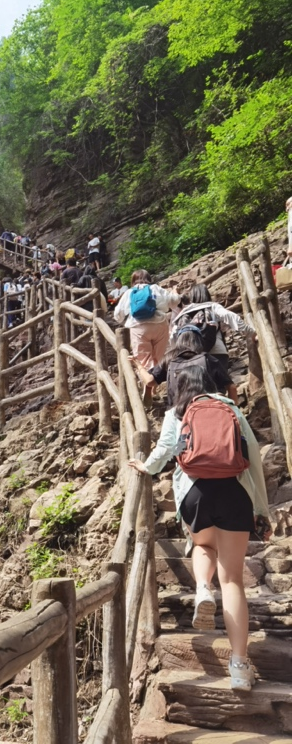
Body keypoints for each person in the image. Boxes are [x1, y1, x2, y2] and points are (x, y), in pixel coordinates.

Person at [129, 365, 271, 692]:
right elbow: (253, 456)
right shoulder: (230, 408)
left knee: (204, 545)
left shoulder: (176, 412)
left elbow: (166, 449)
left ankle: (203, 589)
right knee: (232, 580)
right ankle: (239, 667)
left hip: (195, 493)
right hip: (235, 492)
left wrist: (146, 467)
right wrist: (261, 510)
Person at [132, 328, 237, 408]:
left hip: (178, 410)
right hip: (210, 406)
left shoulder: (169, 358)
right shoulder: (208, 359)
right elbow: (232, 387)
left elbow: (150, 381)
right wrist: (233, 409)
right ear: (199, 341)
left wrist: (138, 365)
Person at [172, 284, 255, 368]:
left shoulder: (183, 313)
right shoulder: (211, 306)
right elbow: (230, 316)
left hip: (190, 358)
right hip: (216, 353)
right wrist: (251, 332)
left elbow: (173, 336)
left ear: (192, 297)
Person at [114, 269, 181, 369]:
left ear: (133, 280)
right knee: (161, 358)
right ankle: (161, 375)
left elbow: (118, 314)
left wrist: (122, 320)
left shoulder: (129, 292)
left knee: (143, 361)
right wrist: (175, 292)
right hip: (159, 325)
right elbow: (174, 302)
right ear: (148, 279)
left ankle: (148, 376)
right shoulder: (155, 288)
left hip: (138, 327)